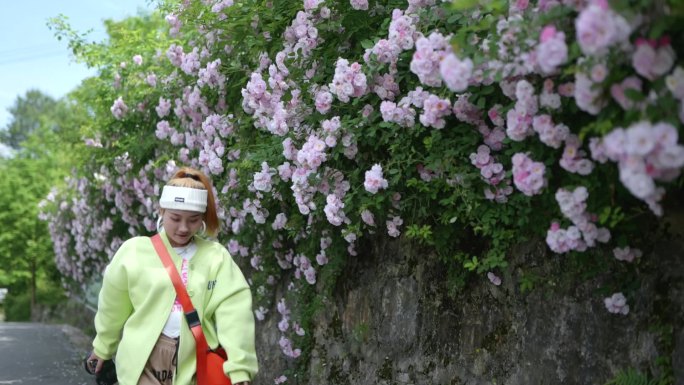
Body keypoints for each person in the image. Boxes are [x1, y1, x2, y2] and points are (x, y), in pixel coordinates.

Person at [87, 166, 258, 385]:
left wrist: (240, 368)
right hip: (142, 358)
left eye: (193, 220)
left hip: (194, 360)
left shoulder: (217, 258)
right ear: (161, 211)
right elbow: (113, 306)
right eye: (175, 218)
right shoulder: (134, 251)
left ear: (202, 219)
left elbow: (235, 314)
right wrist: (102, 348)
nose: (184, 228)